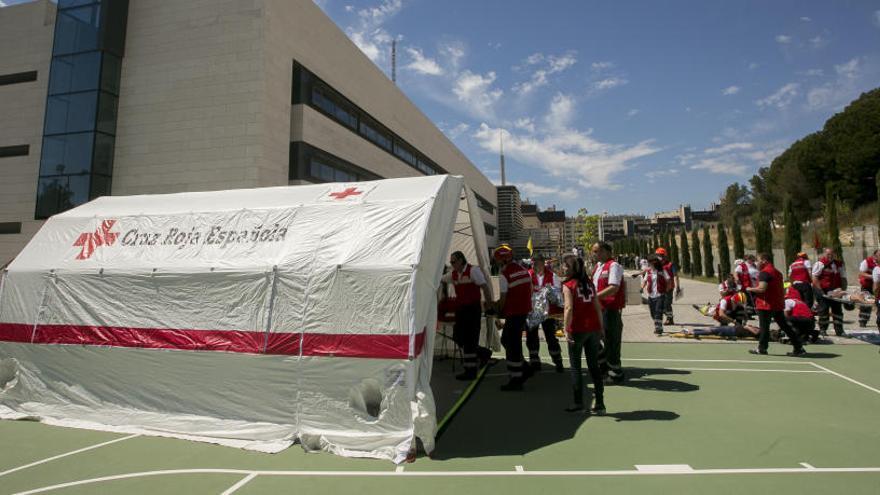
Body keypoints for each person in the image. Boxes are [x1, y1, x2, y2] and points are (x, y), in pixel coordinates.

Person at [561, 254, 605, 414]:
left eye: (565, 265)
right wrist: (601, 328)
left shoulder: (568, 285)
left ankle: (578, 402)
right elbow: (597, 307)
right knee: (594, 366)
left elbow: (568, 308)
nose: (563, 267)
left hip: (578, 329)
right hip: (593, 328)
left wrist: (566, 329)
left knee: (576, 367)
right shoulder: (589, 284)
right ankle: (600, 403)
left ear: (571, 268)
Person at [444, 251, 493, 380]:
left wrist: (489, 306)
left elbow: (485, 287)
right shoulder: (453, 274)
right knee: (458, 337)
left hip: (473, 309)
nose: (452, 264)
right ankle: (484, 353)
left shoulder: (473, 271)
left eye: (453, 262)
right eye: (451, 262)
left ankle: (470, 371)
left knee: (471, 340)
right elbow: (441, 279)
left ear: (461, 260)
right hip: (461, 310)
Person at [747, 253, 806, 356]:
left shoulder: (764, 273)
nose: (756, 262)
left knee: (764, 327)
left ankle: (762, 348)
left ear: (764, 260)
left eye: (758, 260)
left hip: (766, 305)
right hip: (777, 304)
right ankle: (798, 347)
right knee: (785, 326)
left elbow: (762, 288)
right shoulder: (777, 273)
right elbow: (782, 289)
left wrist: (750, 289)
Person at [493, 244, 533, 391]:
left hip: (514, 312)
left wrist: (497, 310)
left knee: (510, 343)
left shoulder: (505, 273)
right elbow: (529, 289)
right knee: (510, 341)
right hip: (523, 310)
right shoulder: (522, 270)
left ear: (502, 260)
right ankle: (524, 368)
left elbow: (503, 297)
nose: (497, 263)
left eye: (497, 260)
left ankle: (517, 378)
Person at [591, 242, 626, 383]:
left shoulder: (613, 266)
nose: (595, 254)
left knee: (611, 341)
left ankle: (616, 374)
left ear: (606, 251)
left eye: (597, 251)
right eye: (593, 252)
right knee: (596, 339)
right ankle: (604, 368)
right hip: (599, 309)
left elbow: (614, 287)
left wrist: (594, 297)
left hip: (610, 310)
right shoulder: (598, 267)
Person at [526, 253, 564, 372]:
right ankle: (535, 362)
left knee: (551, 338)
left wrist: (549, 293)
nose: (533, 264)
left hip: (548, 313)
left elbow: (558, 296)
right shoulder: (528, 275)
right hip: (533, 312)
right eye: (532, 262)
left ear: (542, 263)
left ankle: (558, 361)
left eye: (535, 262)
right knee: (531, 338)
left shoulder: (553, 276)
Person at [812, 248, 846, 336]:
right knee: (824, 310)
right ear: (824, 254)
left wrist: (843, 290)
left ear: (834, 254)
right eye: (828, 254)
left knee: (837, 311)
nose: (830, 256)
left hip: (835, 291)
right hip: (823, 290)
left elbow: (843, 278)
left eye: (831, 254)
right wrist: (820, 291)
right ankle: (823, 329)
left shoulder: (839, 264)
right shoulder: (820, 264)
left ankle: (839, 330)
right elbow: (815, 278)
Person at [642, 254, 670, 335]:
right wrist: (641, 288)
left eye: (649, 263)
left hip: (660, 295)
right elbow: (644, 280)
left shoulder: (662, 271)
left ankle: (658, 328)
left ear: (654, 263)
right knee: (653, 313)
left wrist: (667, 290)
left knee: (658, 311)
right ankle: (657, 325)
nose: (648, 264)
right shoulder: (648, 272)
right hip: (651, 296)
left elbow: (668, 280)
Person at [655, 248, 680, 325]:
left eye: (660, 255)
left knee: (667, 304)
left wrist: (677, 287)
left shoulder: (670, 265)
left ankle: (670, 319)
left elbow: (676, 276)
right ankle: (669, 318)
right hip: (660, 288)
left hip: (669, 288)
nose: (659, 257)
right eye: (658, 255)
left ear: (664, 256)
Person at [857, 250, 879, 328]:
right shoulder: (867, 261)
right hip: (867, 285)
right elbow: (861, 273)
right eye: (878, 256)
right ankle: (863, 321)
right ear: (874, 255)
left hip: (877, 286)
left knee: (877, 303)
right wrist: (872, 276)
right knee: (866, 303)